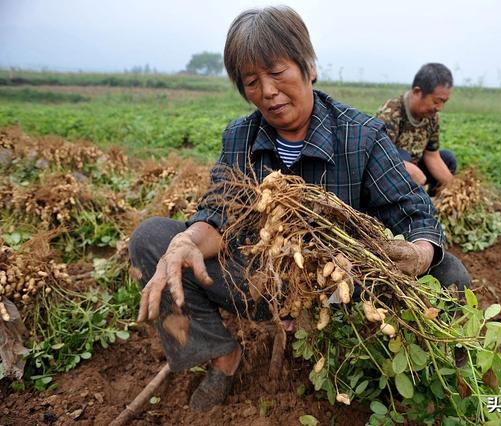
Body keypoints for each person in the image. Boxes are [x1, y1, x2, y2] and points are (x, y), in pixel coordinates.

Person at [128, 6, 470, 412]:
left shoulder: (361, 136)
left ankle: (444, 377)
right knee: (155, 239)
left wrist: (417, 253)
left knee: (448, 272)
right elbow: (219, 212)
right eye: (252, 82)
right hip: (260, 282)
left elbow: (415, 213)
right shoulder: (241, 136)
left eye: (277, 73)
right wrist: (187, 240)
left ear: (309, 67)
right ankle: (223, 355)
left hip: (339, 284)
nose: (267, 92)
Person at [376, 63, 456, 194]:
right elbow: (379, 158)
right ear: (417, 92)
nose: (440, 107)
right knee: (403, 156)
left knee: (448, 159)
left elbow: (432, 156)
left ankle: (434, 202)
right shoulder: (391, 113)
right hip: (389, 173)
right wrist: (408, 169)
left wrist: (454, 188)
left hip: (417, 171)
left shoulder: (432, 116)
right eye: (436, 101)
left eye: (444, 102)